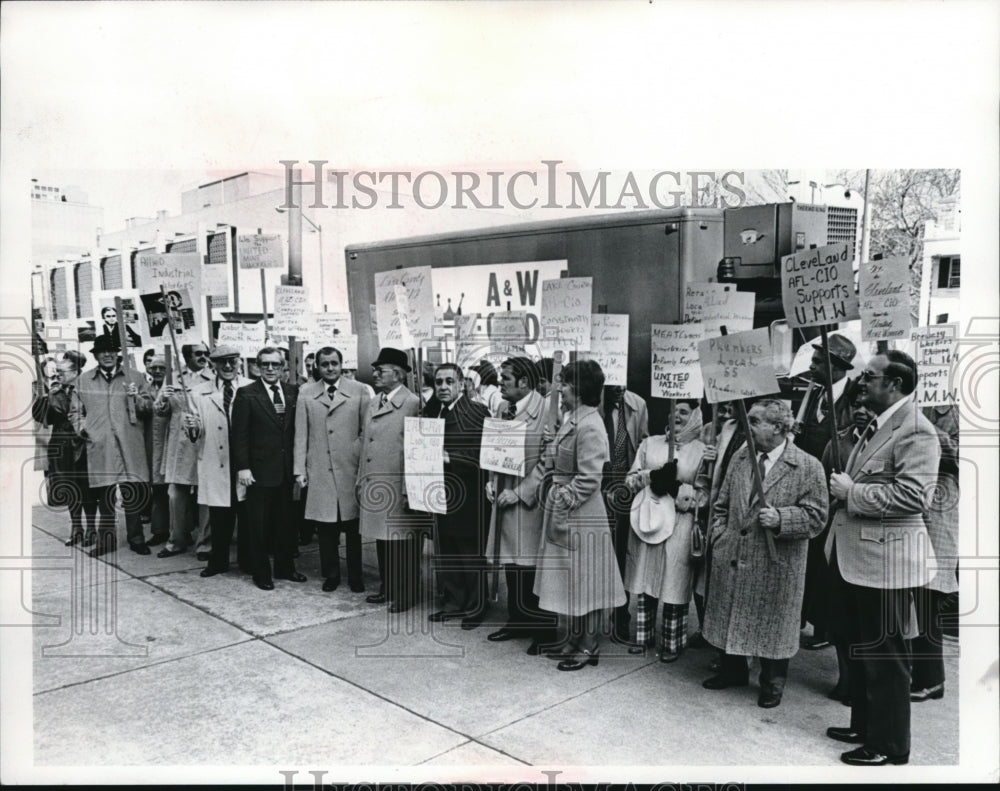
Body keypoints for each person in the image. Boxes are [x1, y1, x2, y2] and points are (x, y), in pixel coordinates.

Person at [825, 350, 940, 766]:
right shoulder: (880, 424)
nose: (861, 383)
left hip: (887, 564)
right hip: (862, 558)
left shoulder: (915, 430)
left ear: (894, 384)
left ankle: (890, 745)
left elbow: (914, 496)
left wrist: (851, 493)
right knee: (861, 647)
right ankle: (865, 725)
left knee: (885, 657)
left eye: (869, 377)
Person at [702, 398, 828, 708]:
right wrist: (720, 536)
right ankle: (732, 671)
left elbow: (817, 517)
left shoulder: (808, 466)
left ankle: (772, 683)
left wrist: (783, 518)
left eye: (756, 421)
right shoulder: (742, 457)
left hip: (776, 562)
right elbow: (721, 503)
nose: (749, 426)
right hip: (733, 553)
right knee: (731, 614)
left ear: (778, 428)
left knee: (772, 625)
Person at [532, 359, 626, 671]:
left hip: (580, 513)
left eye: (565, 383)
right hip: (568, 510)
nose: (560, 388)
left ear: (579, 388)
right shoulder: (575, 419)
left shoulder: (589, 425)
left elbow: (589, 478)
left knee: (585, 581)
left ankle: (588, 645)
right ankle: (574, 639)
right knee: (572, 581)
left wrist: (562, 498)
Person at [623, 399, 707, 662]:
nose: (676, 416)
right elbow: (631, 478)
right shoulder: (651, 443)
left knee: (674, 580)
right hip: (650, 517)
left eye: (683, 411)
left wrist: (680, 489)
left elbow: (707, 492)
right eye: (673, 411)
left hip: (680, 522)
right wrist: (651, 477)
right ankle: (642, 635)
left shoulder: (703, 451)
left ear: (694, 415)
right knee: (645, 576)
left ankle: (672, 640)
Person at [484, 357, 557, 653]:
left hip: (530, 503)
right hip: (503, 496)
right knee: (512, 565)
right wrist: (490, 479)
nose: (500, 382)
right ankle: (517, 620)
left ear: (524, 381)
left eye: (506, 378)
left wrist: (521, 492)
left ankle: (542, 630)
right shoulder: (503, 409)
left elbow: (547, 462)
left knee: (530, 567)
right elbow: (495, 449)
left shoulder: (548, 413)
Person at [795, 333, 861, 651]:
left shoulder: (855, 398)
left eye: (818, 361)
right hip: (808, 488)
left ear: (836, 366)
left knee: (827, 561)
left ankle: (824, 627)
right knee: (808, 557)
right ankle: (810, 621)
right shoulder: (812, 395)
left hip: (836, 491)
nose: (812, 365)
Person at [357, 348, 429, 612]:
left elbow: (417, 450)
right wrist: (361, 479)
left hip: (399, 485)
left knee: (404, 545)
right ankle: (388, 586)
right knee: (382, 541)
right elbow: (366, 442)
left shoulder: (413, 403)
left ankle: (407, 593)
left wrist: (410, 488)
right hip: (375, 483)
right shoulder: (375, 401)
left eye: (381, 370)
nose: (375, 374)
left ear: (398, 374)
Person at [294, 346, 370, 593]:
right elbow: (300, 434)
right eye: (324, 363)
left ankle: (356, 576)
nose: (330, 368)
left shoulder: (358, 391)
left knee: (353, 527)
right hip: (320, 469)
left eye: (334, 363)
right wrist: (300, 470)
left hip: (350, 468)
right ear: (317, 366)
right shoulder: (306, 392)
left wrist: (360, 461)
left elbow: (366, 431)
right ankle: (331, 574)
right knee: (326, 527)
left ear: (341, 364)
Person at [70, 334, 154, 556]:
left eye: (111, 351)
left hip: (129, 443)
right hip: (101, 444)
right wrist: (83, 428)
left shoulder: (135, 377)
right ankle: (106, 541)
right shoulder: (83, 380)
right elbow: (75, 411)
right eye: (102, 351)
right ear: (96, 355)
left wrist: (137, 398)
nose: (107, 355)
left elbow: (149, 409)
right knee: (104, 496)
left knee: (132, 494)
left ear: (118, 353)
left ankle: (137, 539)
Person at [231, 346, 305, 591]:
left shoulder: (293, 392)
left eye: (275, 364)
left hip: (286, 471)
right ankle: (261, 572)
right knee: (258, 526)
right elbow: (239, 435)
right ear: (256, 367)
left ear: (283, 367)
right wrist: (243, 467)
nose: (270, 369)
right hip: (259, 472)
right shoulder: (246, 394)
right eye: (265, 365)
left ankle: (285, 568)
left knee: (286, 524)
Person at [423, 363, 490, 628]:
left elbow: (482, 458)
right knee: (446, 549)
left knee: (470, 553)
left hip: (469, 495)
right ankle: (453, 602)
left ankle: (475, 606)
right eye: (438, 382)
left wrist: (449, 457)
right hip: (441, 493)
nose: (443, 387)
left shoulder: (476, 412)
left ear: (462, 384)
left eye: (449, 381)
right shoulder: (433, 413)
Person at [185, 345, 253, 578]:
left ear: (239, 362)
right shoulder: (197, 392)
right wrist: (192, 429)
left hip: (245, 461)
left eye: (232, 361)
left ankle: (247, 561)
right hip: (216, 459)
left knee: (246, 515)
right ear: (212, 364)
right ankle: (218, 561)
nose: (227, 366)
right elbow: (194, 433)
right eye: (221, 362)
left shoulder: (250, 388)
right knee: (219, 515)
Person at [908, 403, 959, 702]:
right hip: (918, 510)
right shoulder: (922, 404)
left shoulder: (959, 412)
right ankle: (921, 672)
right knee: (915, 595)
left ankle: (932, 679)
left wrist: (929, 430)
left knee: (929, 597)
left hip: (941, 512)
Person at [32, 351, 99, 547]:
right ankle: (76, 527)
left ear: (76, 371)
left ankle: (92, 529)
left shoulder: (88, 388)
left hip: (84, 442)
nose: (57, 375)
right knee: (69, 487)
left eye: (62, 371)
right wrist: (43, 399)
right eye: (56, 372)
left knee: (86, 487)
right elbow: (43, 418)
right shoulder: (54, 392)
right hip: (61, 443)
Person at [601, 384, 649, 644]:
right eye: (613, 383)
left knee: (621, 554)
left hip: (624, 491)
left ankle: (620, 617)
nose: (620, 388)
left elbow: (643, 445)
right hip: (596, 487)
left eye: (623, 382)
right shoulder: (592, 403)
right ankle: (592, 617)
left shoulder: (636, 404)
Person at [157, 342, 213, 559]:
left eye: (206, 354)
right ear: (187, 356)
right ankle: (176, 541)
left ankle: (205, 544)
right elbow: (160, 412)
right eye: (198, 354)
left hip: (204, 442)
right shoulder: (173, 378)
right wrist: (163, 398)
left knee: (205, 496)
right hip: (179, 445)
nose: (203, 357)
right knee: (175, 495)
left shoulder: (213, 377)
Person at [143, 355, 172, 548]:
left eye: (162, 367)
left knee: (177, 491)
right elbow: (140, 408)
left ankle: (181, 530)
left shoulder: (174, 387)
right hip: (151, 444)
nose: (158, 371)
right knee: (158, 490)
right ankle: (160, 530)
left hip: (171, 442)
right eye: (154, 368)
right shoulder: (144, 388)